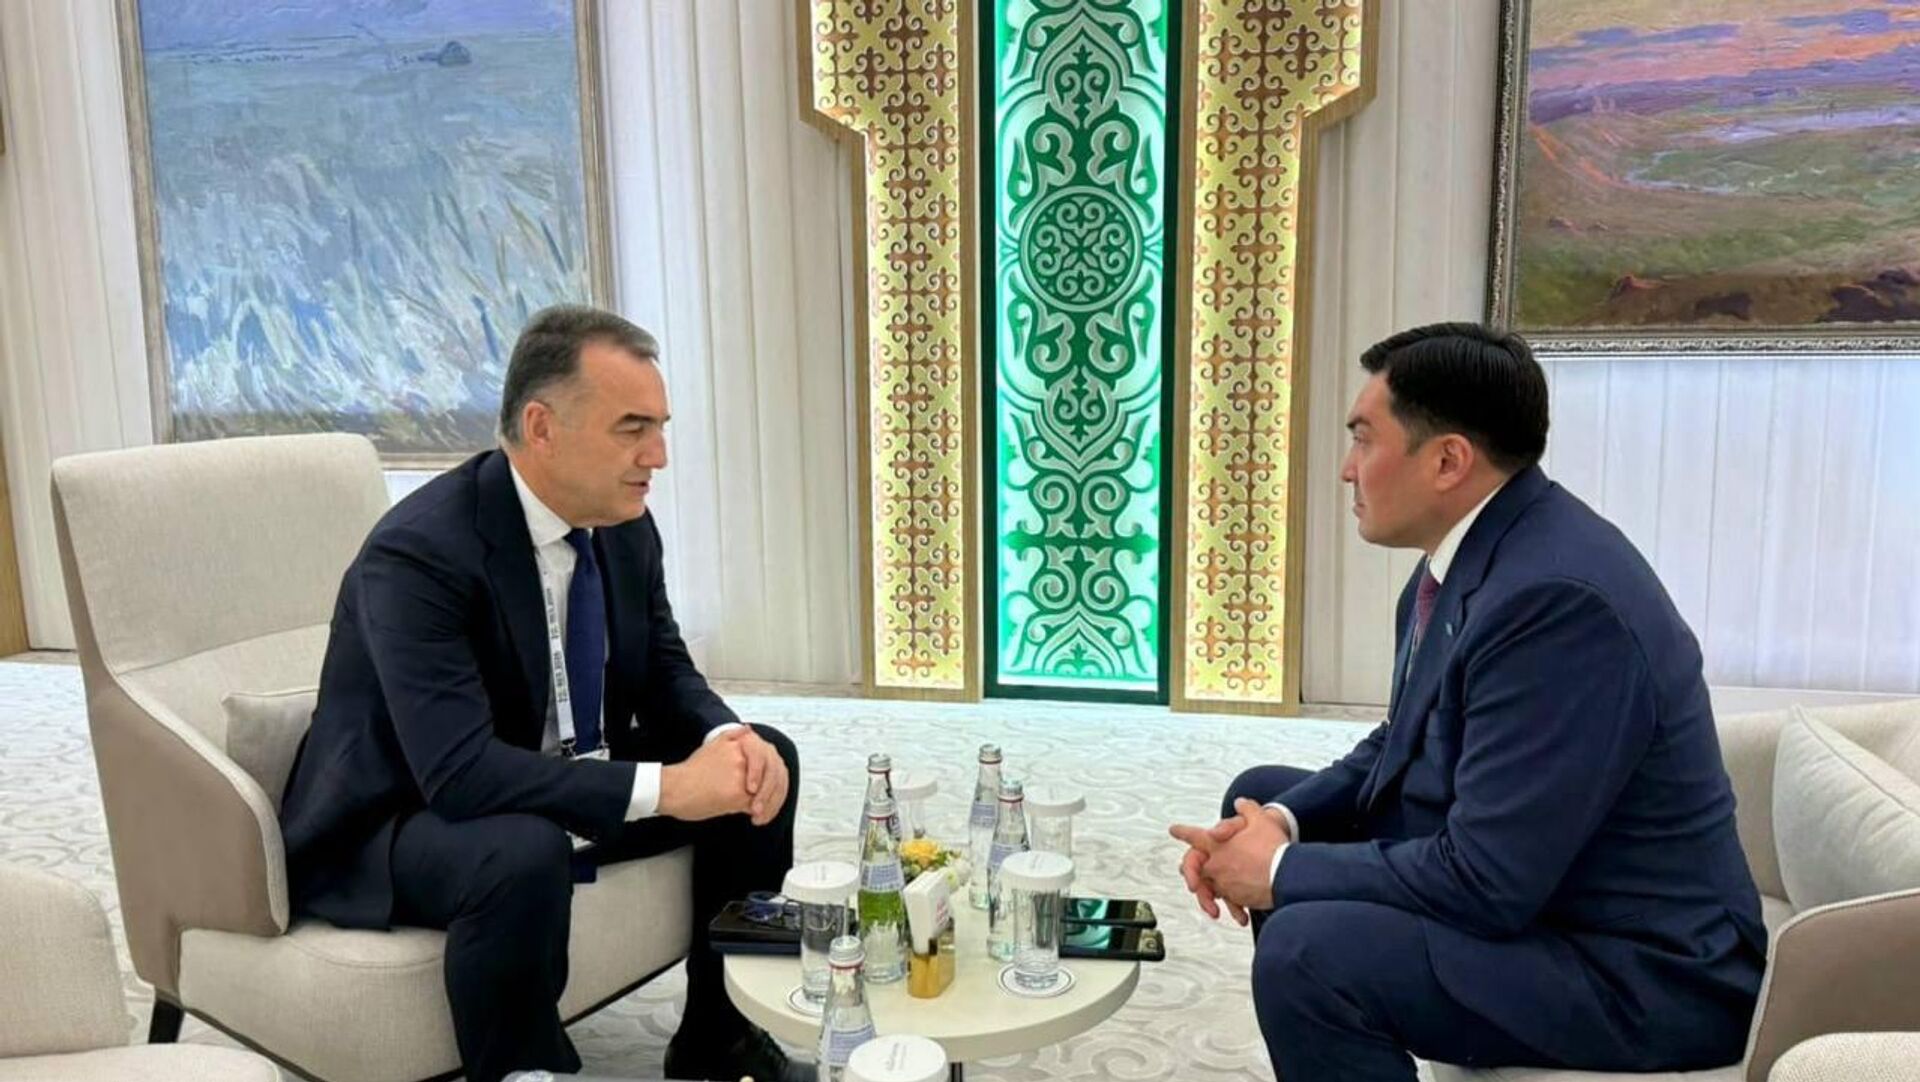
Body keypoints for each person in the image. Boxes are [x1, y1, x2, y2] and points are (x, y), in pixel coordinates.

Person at [1170, 323, 1766, 1081]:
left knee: (1306, 955)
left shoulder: (1558, 605)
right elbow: (1398, 743)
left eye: (1364, 440)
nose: (1347, 470)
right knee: (1259, 796)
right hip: (1549, 889)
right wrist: (1279, 827)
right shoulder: (1475, 559)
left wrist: (1282, 870)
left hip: (1640, 971)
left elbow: (1488, 881)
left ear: (1448, 460)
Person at [279, 305, 806, 1082]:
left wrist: (724, 738)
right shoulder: (419, 553)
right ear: (542, 427)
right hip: (401, 816)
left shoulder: (623, 524)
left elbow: (664, 668)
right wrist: (667, 788)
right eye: (632, 428)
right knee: (520, 850)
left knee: (758, 764)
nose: (658, 456)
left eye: (661, 428)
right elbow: (460, 775)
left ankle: (717, 1037)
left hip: (557, 770)